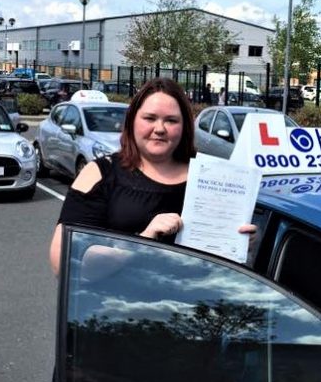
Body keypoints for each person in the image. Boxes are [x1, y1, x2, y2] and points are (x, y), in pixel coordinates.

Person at [49, 77, 255, 275]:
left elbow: (219, 267)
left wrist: (239, 242)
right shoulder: (100, 174)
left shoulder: (211, 178)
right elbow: (64, 263)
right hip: (117, 307)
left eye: (171, 120)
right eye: (150, 118)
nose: (160, 129)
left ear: (185, 127)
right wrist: (144, 241)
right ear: (132, 121)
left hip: (193, 306)